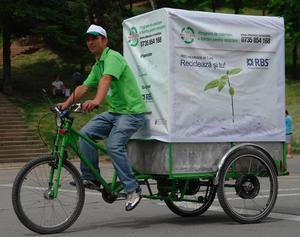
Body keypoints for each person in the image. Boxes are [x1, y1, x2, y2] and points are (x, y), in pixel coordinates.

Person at [58, 24, 147, 211]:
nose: (90, 42)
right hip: (115, 112)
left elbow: (106, 79)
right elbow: (83, 87)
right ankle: (90, 178)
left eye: (94, 38)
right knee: (86, 133)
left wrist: (97, 100)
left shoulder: (113, 57)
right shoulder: (98, 64)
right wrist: (64, 105)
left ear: (104, 41)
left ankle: (132, 189)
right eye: (88, 39)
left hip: (131, 113)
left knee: (113, 145)